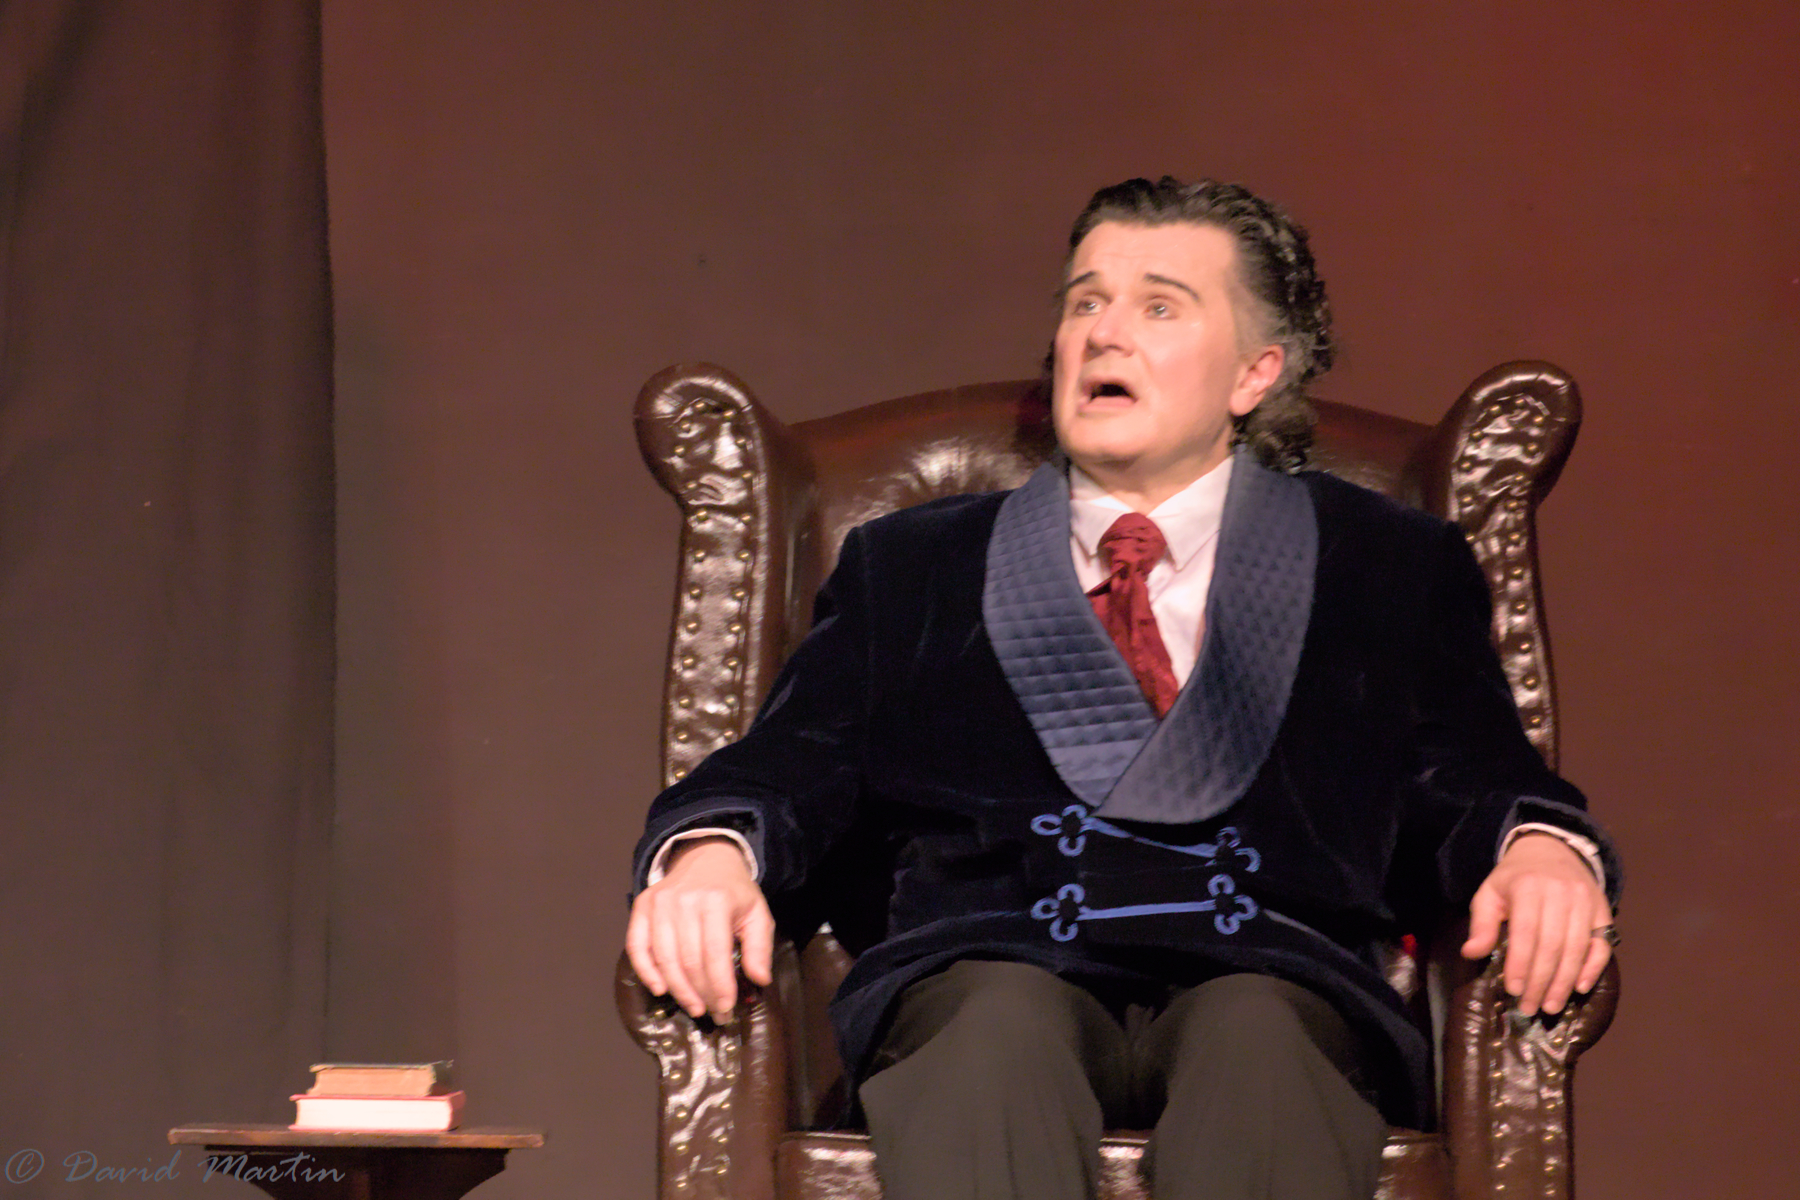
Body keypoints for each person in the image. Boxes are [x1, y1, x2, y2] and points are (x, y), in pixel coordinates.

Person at [625, 176, 1618, 1200]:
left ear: (1255, 373)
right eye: (1085, 301)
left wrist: (1539, 846)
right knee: (995, 1033)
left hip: (1274, 971)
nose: (1104, 332)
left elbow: (1475, 772)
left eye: (1158, 306)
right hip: (992, 965)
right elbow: (792, 763)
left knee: (1259, 1043)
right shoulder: (915, 566)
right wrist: (713, 851)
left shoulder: (1383, 564)